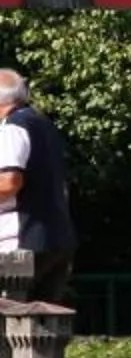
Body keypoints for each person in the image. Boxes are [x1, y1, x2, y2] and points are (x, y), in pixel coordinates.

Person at [0, 72, 76, 309]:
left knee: (12, 322)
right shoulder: (41, 123)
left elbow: (10, 181)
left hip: (21, 243)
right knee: (40, 323)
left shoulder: (12, 127)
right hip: (56, 241)